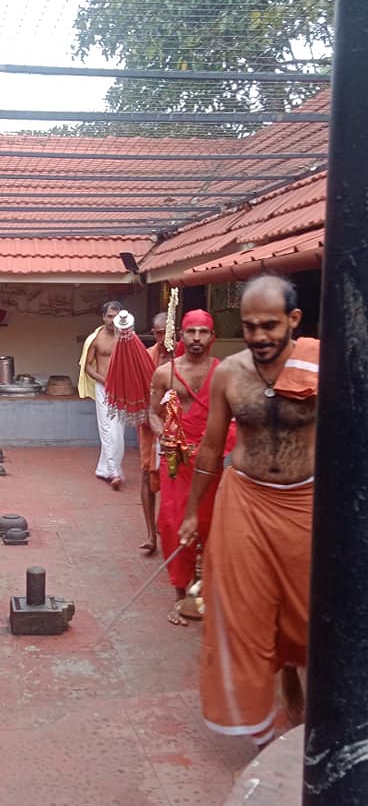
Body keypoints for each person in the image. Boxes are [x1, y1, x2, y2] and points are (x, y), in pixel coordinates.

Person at [178, 275, 317, 746]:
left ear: (294, 320)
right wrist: (194, 512)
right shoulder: (229, 373)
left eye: (269, 325)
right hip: (245, 498)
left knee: (308, 608)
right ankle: (260, 729)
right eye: (250, 325)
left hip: (304, 502)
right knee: (241, 609)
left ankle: (298, 682)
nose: (258, 336)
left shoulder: (322, 365)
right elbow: (211, 448)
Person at [149, 309, 228, 626]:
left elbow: (234, 417)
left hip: (211, 461)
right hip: (176, 462)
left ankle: (205, 595)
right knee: (172, 524)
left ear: (213, 337)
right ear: (181, 335)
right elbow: (152, 413)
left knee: (210, 526)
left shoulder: (224, 372)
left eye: (203, 332)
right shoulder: (164, 374)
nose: (196, 338)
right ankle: (180, 598)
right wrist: (164, 436)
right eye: (191, 332)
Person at [81, 299, 125, 489]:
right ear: (103, 317)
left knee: (119, 432)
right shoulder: (96, 338)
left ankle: (104, 469)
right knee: (107, 429)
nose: (112, 320)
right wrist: (104, 381)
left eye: (116, 317)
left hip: (122, 389)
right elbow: (86, 367)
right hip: (103, 387)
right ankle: (114, 471)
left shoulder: (126, 337)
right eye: (109, 316)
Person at [137, 312, 172, 554]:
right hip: (151, 425)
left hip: (178, 426)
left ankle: (167, 526)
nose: (162, 338)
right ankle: (151, 534)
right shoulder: (147, 357)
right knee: (146, 476)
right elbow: (136, 391)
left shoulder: (184, 356)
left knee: (174, 479)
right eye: (158, 333)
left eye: (166, 332)